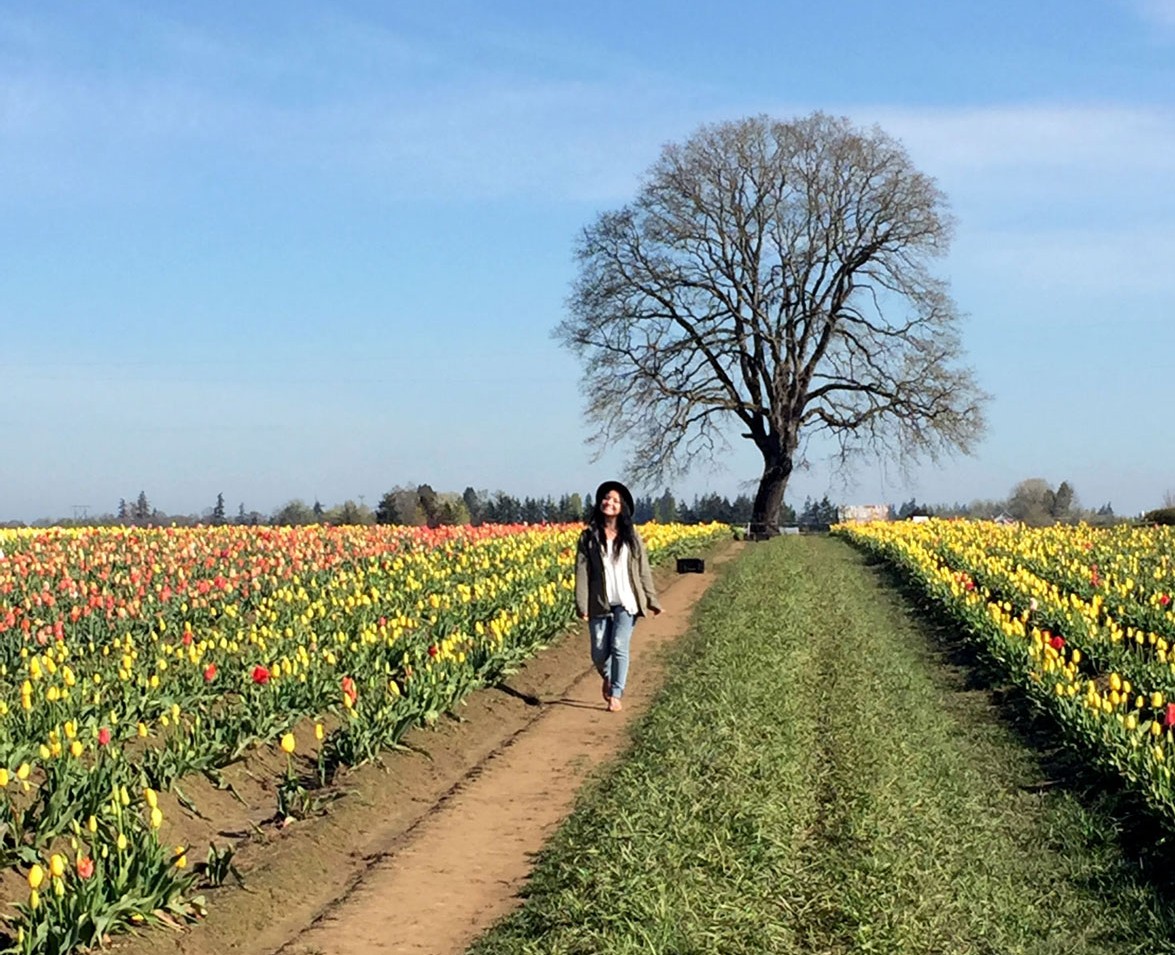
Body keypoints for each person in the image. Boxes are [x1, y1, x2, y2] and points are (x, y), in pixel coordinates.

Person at [575, 480, 662, 712]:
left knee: (619, 645)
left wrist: (652, 600)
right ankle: (609, 675)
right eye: (606, 498)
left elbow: (643, 570)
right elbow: (582, 572)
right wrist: (581, 604)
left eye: (615, 500)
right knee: (598, 652)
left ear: (622, 507)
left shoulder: (632, 536)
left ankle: (616, 693)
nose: (609, 503)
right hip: (600, 602)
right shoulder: (588, 537)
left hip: (627, 601)